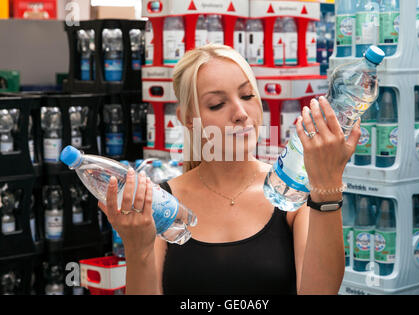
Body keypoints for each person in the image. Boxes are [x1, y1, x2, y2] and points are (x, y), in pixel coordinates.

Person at [98, 44, 361, 295]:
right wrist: (136, 249)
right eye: (217, 104)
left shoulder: (291, 194)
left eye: (247, 96)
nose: (240, 113)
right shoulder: (162, 205)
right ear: (188, 120)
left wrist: (328, 186)